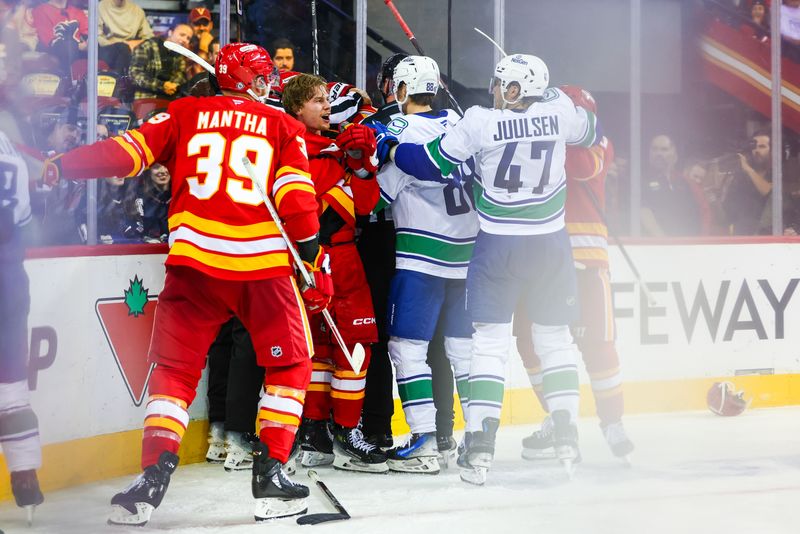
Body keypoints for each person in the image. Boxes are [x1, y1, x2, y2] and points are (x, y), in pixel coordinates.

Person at [42, 42, 331, 525]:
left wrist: (63, 164)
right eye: (263, 77)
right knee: (292, 364)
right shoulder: (282, 126)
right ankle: (270, 476)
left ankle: (150, 480)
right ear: (252, 81)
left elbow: (124, 154)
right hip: (260, 271)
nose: (269, 86)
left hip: (193, 266)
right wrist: (312, 260)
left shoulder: (183, 113)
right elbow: (299, 208)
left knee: (174, 373)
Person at [380, 53, 597, 484]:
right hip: (551, 245)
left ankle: (480, 446)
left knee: (489, 346)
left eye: (500, 83)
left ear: (515, 89)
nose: (493, 90)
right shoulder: (558, 112)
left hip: (497, 246)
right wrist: (554, 96)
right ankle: (567, 431)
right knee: (555, 340)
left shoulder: (480, 121)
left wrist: (389, 145)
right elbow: (591, 130)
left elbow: (428, 165)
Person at [514, 85, 634, 462]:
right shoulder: (539, 141)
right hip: (540, 260)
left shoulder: (599, 143)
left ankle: (613, 422)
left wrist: (545, 133)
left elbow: (583, 168)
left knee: (597, 344)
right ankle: (557, 418)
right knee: (529, 343)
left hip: (586, 261)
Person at [371, 56, 477, 474]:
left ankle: (425, 440)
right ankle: (477, 437)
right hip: (469, 254)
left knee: (407, 347)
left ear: (400, 88)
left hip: (422, 257)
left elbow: (376, 196)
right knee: (463, 351)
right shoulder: (462, 123)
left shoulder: (401, 129)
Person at [282, 73, 387, 473]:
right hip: (305, 263)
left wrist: (362, 167)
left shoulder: (342, 146)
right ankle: (315, 433)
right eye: (316, 101)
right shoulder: (285, 149)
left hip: (345, 261)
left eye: (327, 99)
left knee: (355, 348)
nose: (327, 107)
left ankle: (347, 431)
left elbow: (367, 207)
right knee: (314, 353)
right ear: (295, 108)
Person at [357, 53, 407, 449]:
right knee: (425, 342)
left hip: (375, 241)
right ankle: (439, 432)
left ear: (392, 82)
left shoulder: (370, 124)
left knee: (374, 337)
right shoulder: (447, 125)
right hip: (422, 241)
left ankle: (377, 429)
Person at [0, 125, 45, 523]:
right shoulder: (9, 146)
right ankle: (25, 474)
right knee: (11, 388)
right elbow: (24, 216)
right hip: (11, 279)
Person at [640, 134, 705, 236]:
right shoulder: (639, 181)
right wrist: (665, 244)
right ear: (649, 154)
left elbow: (702, 213)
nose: (658, 153)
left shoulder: (685, 183)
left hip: (690, 245)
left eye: (664, 149)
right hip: (658, 246)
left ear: (674, 154)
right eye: (654, 149)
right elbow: (643, 212)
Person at [723, 131, 773, 235]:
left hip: (769, 236)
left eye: (762, 146)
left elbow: (770, 193)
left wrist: (748, 169)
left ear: (772, 150)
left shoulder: (779, 173)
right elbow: (729, 204)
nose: (757, 150)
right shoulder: (742, 175)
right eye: (754, 147)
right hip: (743, 235)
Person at [129, 23, 192, 100]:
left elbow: (179, 75)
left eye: (188, 38)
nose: (185, 40)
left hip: (169, 98)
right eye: (182, 35)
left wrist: (173, 85)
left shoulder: (179, 55)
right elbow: (134, 75)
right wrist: (162, 85)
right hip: (145, 98)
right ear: (170, 32)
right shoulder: (148, 46)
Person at [98, 0, 154, 72]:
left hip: (131, 48)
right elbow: (96, 35)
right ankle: (119, 79)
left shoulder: (137, 10)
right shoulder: (101, 7)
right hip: (107, 48)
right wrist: (117, 45)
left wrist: (133, 44)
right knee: (122, 48)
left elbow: (149, 37)